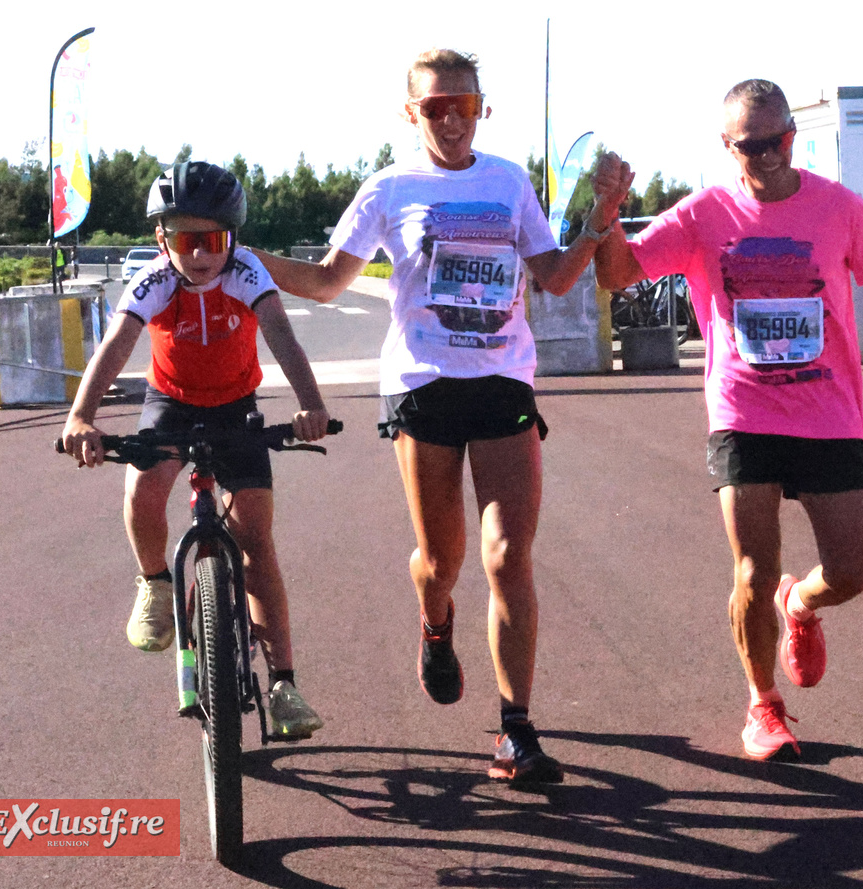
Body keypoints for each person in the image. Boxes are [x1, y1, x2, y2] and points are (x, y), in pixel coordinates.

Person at [250, 48, 630, 784]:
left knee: (508, 556)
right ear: (410, 113)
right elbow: (330, 281)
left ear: (484, 107)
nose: (452, 119)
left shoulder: (509, 181)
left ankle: (516, 728)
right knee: (443, 562)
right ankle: (434, 616)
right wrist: (249, 260)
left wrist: (597, 224)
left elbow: (551, 279)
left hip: (502, 382)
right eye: (435, 107)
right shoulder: (390, 188)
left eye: (465, 104)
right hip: (423, 385)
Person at [593, 79, 863, 761]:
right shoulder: (702, 215)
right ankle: (763, 704)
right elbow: (617, 274)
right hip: (742, 410)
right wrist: (605, 214)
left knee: (852, 570)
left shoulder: (838, 208)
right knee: (751, 566)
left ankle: (799, 604)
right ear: (727, 146)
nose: (771, 156)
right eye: (753, 145)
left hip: (828, 412)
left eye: (780, 141)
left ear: (791, 138)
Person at [60, 161, 330, 740]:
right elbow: (116, 344)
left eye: (212, 240)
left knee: (256, 538)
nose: (200, 255)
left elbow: (281, 333)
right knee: (142, 488)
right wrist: (81, 416)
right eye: (185, 240)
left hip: (236, 405)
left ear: (231, 238)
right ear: (163, 239)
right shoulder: (154, 279)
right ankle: (156, 583)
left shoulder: (247, 271)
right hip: (173, 402)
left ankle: (283, 684)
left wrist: (311, 404)